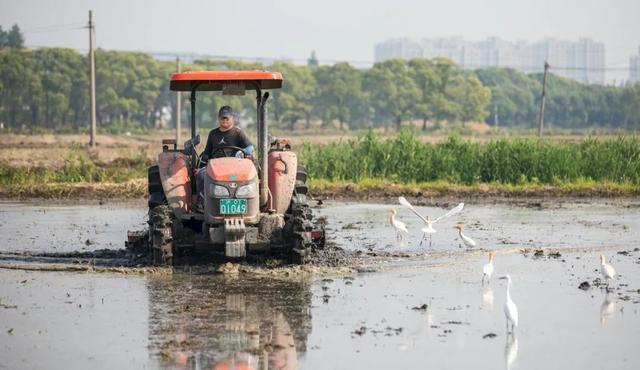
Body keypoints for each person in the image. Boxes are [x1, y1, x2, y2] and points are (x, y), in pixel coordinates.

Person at [196, 105, 254, 202]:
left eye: (227, 117)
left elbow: (250, 147)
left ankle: (246, 202)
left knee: (249, 176)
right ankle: (203, 203)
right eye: (222, 117)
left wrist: (243, 151)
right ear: (218, 118)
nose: (224, 120)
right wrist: (201, 167)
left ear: (232, 118)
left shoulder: (238, 133)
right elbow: (206, 153)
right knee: (201, 175)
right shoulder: (213, 134)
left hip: (235, 165)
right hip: (216, 166)